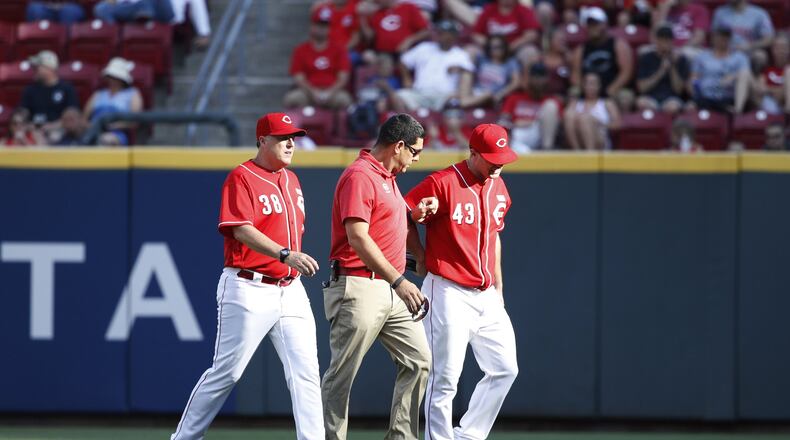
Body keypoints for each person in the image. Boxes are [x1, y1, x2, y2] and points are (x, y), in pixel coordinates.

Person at [170, 113, 324, 440]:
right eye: (282, 137)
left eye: (293, 137)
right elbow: (240, 229)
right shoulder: (242, 177)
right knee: (227, 373)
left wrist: (288, 261)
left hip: (290, 288)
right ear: (262, 141)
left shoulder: (291, 179)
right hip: (247, 285)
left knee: (306, 373)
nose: (290, 143)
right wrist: (285, 253)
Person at [321, 113, 436, 440]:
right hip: (359, 284)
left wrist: (413, 215)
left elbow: (387, 225)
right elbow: (357, 237)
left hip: (389, 286)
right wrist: (399, 281)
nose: (416, 159)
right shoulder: (360, 175)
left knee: (419, 361)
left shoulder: (388, 178)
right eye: (414, 151)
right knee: (342, 375)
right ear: (398, 145)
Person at [403, 123, 519, 440]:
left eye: (503, 156)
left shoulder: (500, 187)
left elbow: (494, 238)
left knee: (505, 369)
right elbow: (403, 213)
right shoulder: (443, 182)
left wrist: (499, 287)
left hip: (486, 294)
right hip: (448, 290)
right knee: (445, 379)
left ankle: (469, 435)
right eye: (492, 157)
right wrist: (419, 253)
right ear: (473, 153)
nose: (499, 163)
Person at [396, 19, 475, 112]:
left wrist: (460, 70)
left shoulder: (461, 55)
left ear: (453, 36)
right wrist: (407, 79)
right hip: (419, 94)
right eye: (439, 32)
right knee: (398, 97)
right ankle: (406, 124)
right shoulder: (424, 47)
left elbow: (469, 74)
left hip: (444, 97)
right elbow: (403, 62)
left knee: (454, 103)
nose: (440, 35)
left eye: (444, 33)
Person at [283, 11, 353, 110]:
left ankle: (337, 125)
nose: (322, 29)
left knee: (344, 100)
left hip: (332, 91)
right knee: (292, 99)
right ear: (312, 26)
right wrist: (313, 92)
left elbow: (343, 78)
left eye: (325, 26)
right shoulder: (300, 50)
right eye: (318, 25)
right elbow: (299, 77)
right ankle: (294, 126)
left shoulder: (339, 50)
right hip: (308, 92)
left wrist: (330, 92)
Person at [571, 7, 634, 106]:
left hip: (613, 88)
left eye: (596, 24)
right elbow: (575, 75)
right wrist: (585, 89)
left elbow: (626, 72)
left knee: (625, 96)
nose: (593, 27)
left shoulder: (618, 45)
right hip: (588, 89)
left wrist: (612, 89)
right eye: (590, 25)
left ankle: (622, 121)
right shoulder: (581, 49)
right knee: (573, 93)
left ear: (605, 24)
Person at [499, 62, 562, 151]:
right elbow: (503, 122)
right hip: (516, 136)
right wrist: (513, 124)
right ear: (529, 78)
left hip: (539, 134)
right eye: (535, 76)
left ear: (547, 79)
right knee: (517, 142)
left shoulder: (553, 100)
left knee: (551, 106)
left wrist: (531, 122)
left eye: (541, 76)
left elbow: (556, 126)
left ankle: (547, 151)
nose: (538, 80)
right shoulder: (514, 97)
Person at [689, 26, 751, 114]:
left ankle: (737, 111)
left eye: (726, 37)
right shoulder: (702, 56)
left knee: (743, 74)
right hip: (706, 97)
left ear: (730, 39)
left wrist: (734, 76)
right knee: (692, 106)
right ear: (713, 38)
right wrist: (696, 95)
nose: (723, 39)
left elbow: (747, 74)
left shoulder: (739, 57)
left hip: (728, 96)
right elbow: (694, 78)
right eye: (720, 36)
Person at [84, 57, 144, 146]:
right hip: (93, 130)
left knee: (105, 140)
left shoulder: (133, 94)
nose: (113, 80)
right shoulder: (98, 94)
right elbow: (84, 118)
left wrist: (114, 125)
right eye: (111, 76)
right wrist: (93, 127)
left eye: (116, 77)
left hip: (117, 133)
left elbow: (134, 121)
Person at [19, 50, 80, 137]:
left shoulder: (66, 89)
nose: (34, 70)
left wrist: (52, 126)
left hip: (58, 131)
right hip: (34, 131)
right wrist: (28, 125)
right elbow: (22, 112)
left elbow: (73, 116)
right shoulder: (30, 90)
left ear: (49, 69)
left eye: (38, 67)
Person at [635, 25, 690, 115]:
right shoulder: (646, 58)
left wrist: (672, 66)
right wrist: (661, 71)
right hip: (651, 96)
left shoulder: (680, 59)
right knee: (641, 103)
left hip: (671, 98)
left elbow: (679, 90)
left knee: (673, 107)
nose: (665, 43)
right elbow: (642, 88)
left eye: (668, 40)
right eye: (662, 40)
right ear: (656, 40)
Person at [459, 35, 522, 109]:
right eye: (491, 47)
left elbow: (516, 83)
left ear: (505, 47)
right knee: (466, 74)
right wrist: (456, 67)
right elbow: (470, 56)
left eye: (498, 47)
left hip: (492, 95)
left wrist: (500, 94)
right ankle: (465, 101)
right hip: (476, 90)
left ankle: (462, 104)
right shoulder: (483, 59)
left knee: (488, 94)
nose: (494, 50)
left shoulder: (510, 62)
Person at [564, 72, 621, 150]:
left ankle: (590, 153)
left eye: (593, 83)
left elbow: (618, 124)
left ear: (599, 86)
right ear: (583, 86)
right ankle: (576, 151)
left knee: (585, 118)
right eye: (587, 83)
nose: (590, 86)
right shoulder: (575, 103)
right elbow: (566, 122)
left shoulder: (607, 103)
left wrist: (598, 123)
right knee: (569, 114)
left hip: (599, 137)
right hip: (578, 138)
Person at [358, 0, 430, 56]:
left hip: (407, 52)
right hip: (383, 55)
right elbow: (370, 38)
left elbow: (425, 31)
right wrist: (362, 17)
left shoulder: (408, 8)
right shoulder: (376, 14)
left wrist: (409, 40)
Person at [471, 0, 541, 55]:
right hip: (490, 49)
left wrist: (511, 47)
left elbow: (532, 34)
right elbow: (476, 34)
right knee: (471, 51)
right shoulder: (489, 9)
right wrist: (490, 45)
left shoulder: (524, 11)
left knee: (530, 52)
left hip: (515, 50)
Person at [755, 33, 789, 114]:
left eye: (784, 47)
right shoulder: (766, 69)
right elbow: (761, 89)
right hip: (771, 104)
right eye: (778, 47)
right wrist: (783, 89)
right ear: (773, 50)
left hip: (785, 102)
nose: (781, 51)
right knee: (766, 100)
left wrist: (770, 89)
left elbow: (766, 89)